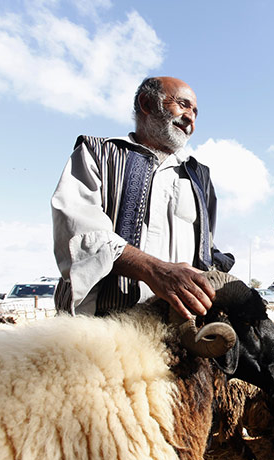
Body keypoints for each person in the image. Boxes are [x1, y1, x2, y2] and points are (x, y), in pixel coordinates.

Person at [52, 76, 234, 321]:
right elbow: (79, 234)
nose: (190, 117)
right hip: (100, 326)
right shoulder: (97, 153)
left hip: (175, 328)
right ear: (147, 104)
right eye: (182, 104)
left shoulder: (199, 175)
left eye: (195, 112)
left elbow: (205, 249)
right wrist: (155, 271)